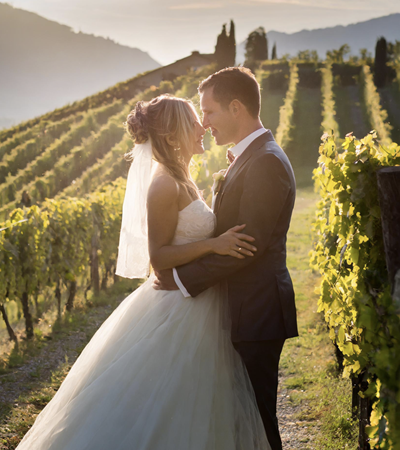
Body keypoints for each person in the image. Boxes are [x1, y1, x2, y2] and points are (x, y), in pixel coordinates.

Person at [15, 94, 271, 450]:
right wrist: (213, 245)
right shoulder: (164, 184)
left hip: (198, 301)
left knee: (195, 397)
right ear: (170, 135)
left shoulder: (182, 176)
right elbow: (159, 256)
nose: (203, 127)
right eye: (194, 122)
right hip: (178, 307)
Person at [154, 67, 298, 450]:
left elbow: (245, 246)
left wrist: (182, 279)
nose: (204, 122)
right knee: (237, 414)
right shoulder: (250, 156)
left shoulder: (265, 160)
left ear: (236, 108)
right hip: (241, 307)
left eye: (210, 111)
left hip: (257, 310)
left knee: (257, 417)